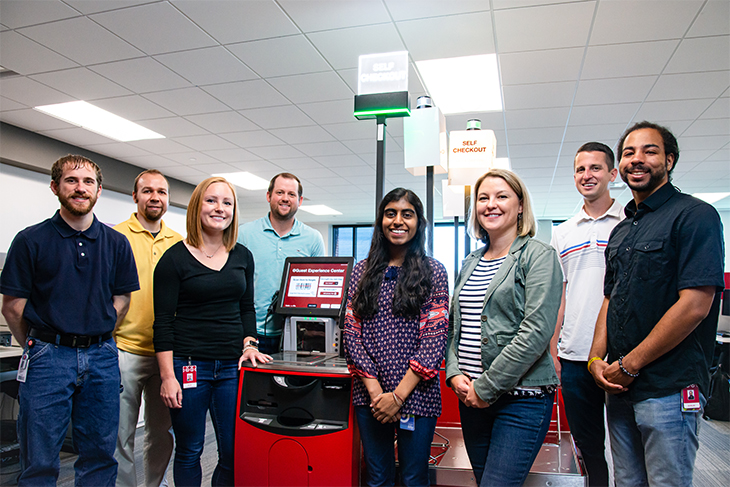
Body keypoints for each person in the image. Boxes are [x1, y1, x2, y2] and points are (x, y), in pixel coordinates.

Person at [588, 121, 725, 487]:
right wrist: (596, 359)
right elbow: (610, 298)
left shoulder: (695, 216)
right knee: (627, 482)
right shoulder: (623, 229)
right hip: (619, 388)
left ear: (669, 159)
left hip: (667, 387)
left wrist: (630, 364)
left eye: (649, 151)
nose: (637, 160)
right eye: (629, 153)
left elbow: (696, 304)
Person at [0, 155, 139, 486]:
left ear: (99, 190)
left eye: (88, 182)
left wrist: (97, 334)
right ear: (55, 187)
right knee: (40, 458)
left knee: (100, 455)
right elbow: (12, 307)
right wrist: (38, 346)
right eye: (72, 181)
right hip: (48, 356)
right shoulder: (30, 240)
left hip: (102, 357)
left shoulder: (116, 243)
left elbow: (122, 300)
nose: (81, 188)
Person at [445, 169, 562, 487]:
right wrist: (454, 372)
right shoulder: (471, 261)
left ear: (520, 205)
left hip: (520, 400)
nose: (490, 204)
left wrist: (486, 388)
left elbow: (536, 331)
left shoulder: (539, 256)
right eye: (483, 198)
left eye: (501, 196)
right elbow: (455, 325)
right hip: (471, 400)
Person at [153, 177, 271, 487]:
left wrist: (249, 344)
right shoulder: (173, 259)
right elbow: (163, 322)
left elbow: (247, 308)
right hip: (188, 365)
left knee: (232, 452)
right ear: (197, 206)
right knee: (190, 449)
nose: (219, 208)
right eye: (211, 200)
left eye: (227, 202)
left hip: (232, 367)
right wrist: (167, 377)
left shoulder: (242, 256)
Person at [345, 188, 449, 487]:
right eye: (390, 213)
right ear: (381, 221)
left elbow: (434, 339)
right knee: (377, 477)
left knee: (414, 478)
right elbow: (352, 333)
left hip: (417, 394)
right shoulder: (362, 272)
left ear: (418, 222)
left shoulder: (434, 271)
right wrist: (377, 393)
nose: (398, 221)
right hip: (371, 395)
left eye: (407, 214)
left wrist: (398, 397)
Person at [549, 142, 623, 486]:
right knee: (589, 447)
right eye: (580, 169)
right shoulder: (563, 232)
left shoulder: (631, 223)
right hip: (575, 353)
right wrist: (554, 348)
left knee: (628, 445)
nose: (587, 175)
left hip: (624, 354)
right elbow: (558, 294)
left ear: (613, 173)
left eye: (595, 168)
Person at [113, 169, 183, 487]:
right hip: (124, 349)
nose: (155, 197)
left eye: (162, 192)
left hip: (165, 353)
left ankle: (154, 483)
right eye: (148, 191)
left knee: (161, 432)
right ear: (135, 196)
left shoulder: (180, 243)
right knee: (120, 434)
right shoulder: (115, 237)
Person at [238, 173, 325, 354]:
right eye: (280, 192)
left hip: (295, 334)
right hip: (248, 334)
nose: (285, 198)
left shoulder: (313, 238)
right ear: (269, 196)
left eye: (291, 194)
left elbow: (318, 294)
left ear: (300, 200)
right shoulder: (244, 234)